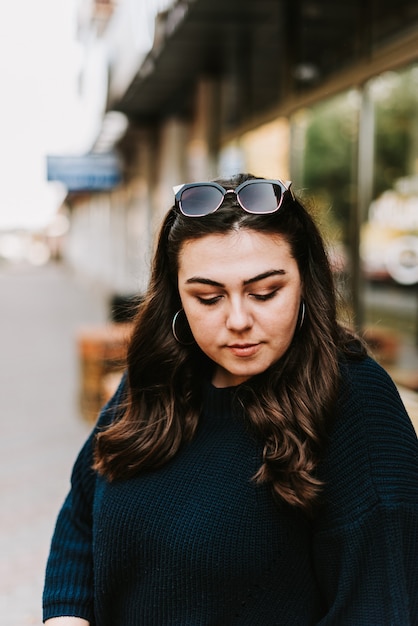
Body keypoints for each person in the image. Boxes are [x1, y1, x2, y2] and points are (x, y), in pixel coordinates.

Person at [43, 173, 418, 625]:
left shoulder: (355, 397)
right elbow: (81, 517)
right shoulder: (160, 375)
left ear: (306, 282)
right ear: (177, 298)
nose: (238, 320)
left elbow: (378, 604)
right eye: (208, 297)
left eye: (265, 292)